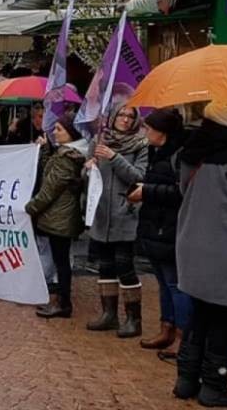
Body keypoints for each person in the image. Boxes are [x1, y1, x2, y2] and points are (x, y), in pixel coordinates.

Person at [172, 101, 227, 406]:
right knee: (225, 320)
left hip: (191, 243)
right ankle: (214, 385)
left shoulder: (193, 151)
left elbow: (185, 190)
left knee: (198, 315)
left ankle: (186, 380)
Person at [128, 108, 191, 359]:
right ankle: (167, 327)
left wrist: (148, 191)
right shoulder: (157, 153)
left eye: (149, 128)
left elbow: (180, 191)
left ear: (162, 132)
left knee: (176, 284)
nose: (146, 132)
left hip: (171, 227)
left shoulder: (180, 156)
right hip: (155, 226)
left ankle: (183, 335)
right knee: (164, 283)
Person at [86, 105, 148, 337]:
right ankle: (108, 314)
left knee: (125, 265)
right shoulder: (99, 141)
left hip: (125, 212)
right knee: (105, 265)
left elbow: (139, 176)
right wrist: (88, 168)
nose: (124, 119)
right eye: (121, 115)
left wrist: (115, 157)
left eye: (130, 116)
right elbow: (89, 176)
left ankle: (134, 318)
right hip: (102, 212)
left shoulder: (141, 145)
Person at [26, 115, 86, 318]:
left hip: (60, 218)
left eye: (60, 129)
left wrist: (30, 208)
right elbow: (49, 172)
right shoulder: (65, 155)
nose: (55, 132)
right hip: (61, 216)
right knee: (60, 260)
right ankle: (61, 300)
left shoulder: (66, 157)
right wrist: (44, 150)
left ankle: (63, 302)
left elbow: (49, 189)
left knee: (61, 262)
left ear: (70, 134)